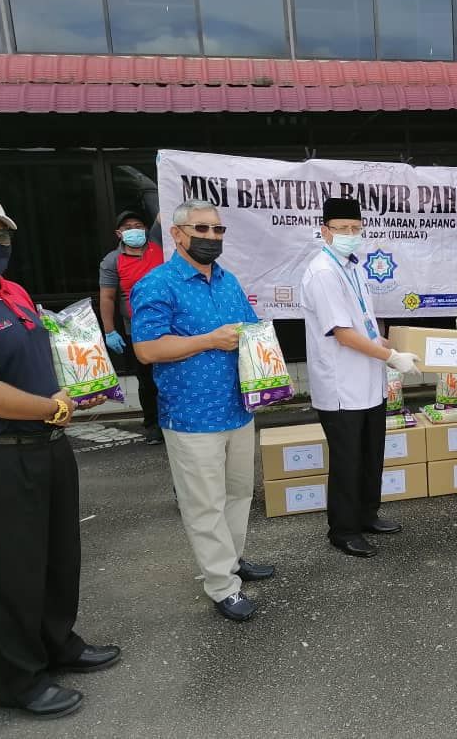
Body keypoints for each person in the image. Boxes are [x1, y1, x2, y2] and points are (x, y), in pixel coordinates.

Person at [0, 191, 119, 718]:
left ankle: (57, 644)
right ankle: (19, 679)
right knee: (6, 572)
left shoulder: (14, 292)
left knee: (55, 557)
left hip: (47, 446)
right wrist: (50, 407)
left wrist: (77, 384)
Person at [132, 199, 275, 622]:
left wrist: (268, 374)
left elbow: (251, 332)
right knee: (205, 504)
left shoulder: (228, 282)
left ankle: (231, 560)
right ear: (177, 234)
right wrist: (208, 339)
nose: (211, 237)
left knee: (238, 494)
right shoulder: (157, 285)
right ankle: (220, 584)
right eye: (202, 229)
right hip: (192, 415)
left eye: (218, 230)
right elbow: (147, 348)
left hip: (237, 408)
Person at [301, 197, 420, 558]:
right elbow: (344, 334)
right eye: (342, 229)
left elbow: (364, 326)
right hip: (341, 387)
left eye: (355, 228)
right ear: (325, 231)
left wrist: (390, 345)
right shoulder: (323, 272)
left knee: (371, 455)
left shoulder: (352, 267)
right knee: (348, 460)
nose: (350, 235)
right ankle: (343, 529)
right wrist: (390, 356)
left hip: (368, 381)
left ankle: (368, 514)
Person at [98, 210, 164, 444]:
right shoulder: (112, 261)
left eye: (138, 225)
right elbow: (107, 297)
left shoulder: (159, 244)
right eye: (127, 227)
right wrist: (109, 330)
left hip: (171, 326)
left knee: (174, 376)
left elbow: (163, 209)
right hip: (138, 331)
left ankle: (175, 421)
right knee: (147, 381)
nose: (134, 230)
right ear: (119, 233)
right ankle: (153, 426)